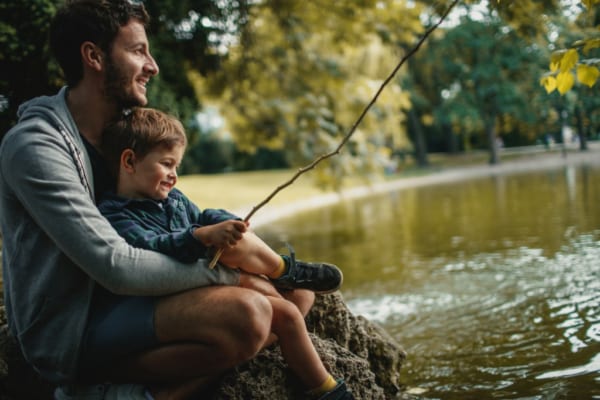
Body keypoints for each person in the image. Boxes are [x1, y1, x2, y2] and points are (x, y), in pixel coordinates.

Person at [0, 1, 352, 399]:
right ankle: (103, 392)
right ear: (94, 56)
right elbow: (116, 267)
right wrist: (235, 278)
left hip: (140, 302)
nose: (153, 66)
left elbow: (169, 220)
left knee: (296, 296)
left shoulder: (121, 139)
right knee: (252, 314)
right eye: (137, 51)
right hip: (76, 325)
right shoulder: (35, 147)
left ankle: (205, 360)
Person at [97, 106, 352, 398]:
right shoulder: (115, 215)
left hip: (210, 284)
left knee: (303, 294)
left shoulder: (173, 199)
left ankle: (283, 272)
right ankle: (327, 391)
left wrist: (223, 222)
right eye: (167, 164)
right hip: (177, 298)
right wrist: (200, 237)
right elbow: (152, 248)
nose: (174, 176)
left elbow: (203, 215)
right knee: (286, 313)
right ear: (129, 161)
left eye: (177, 167)